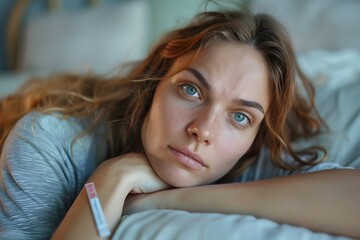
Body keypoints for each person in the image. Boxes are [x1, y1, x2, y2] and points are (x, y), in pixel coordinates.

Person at [0, 4, 359, 240]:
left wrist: (167, 200)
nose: (203, 130)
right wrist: (113, 177)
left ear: (257, 135)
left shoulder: (250, 158)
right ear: (155, 83)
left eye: (239, 116)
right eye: (191, 90)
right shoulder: (49, 143)